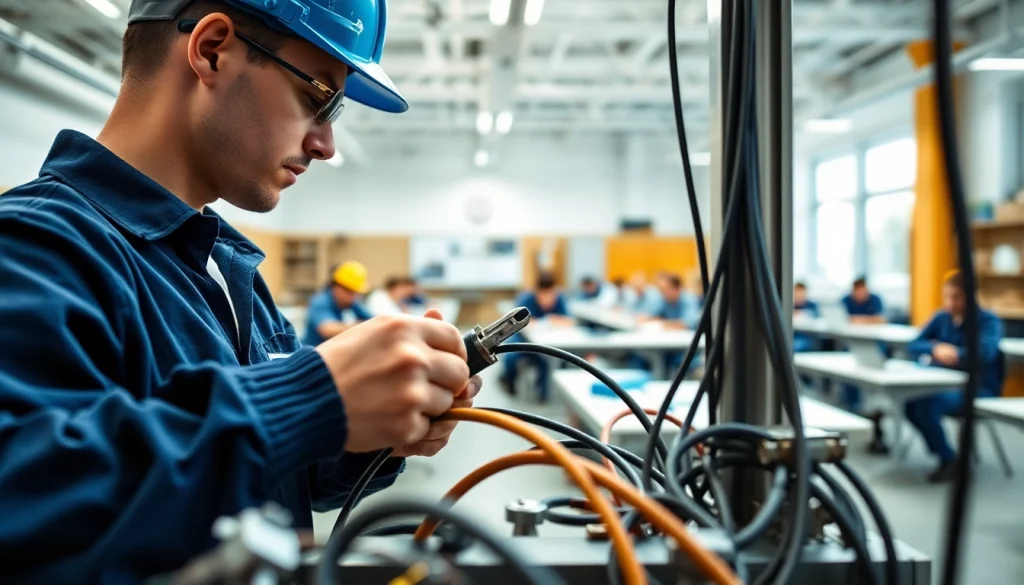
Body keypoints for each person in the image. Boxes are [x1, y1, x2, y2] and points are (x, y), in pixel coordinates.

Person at [0, 1, 481, 581]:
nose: (327, 145)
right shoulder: (33, 247)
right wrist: (305, 399)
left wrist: (369, 426)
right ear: (212, 50)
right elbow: (22, 504)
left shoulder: (226, 266)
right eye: (317, 98)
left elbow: (278, 474)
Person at [905, 270, 1005, 482]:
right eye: (947, 296)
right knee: (910, 403)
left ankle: (950, 461)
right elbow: (914, 344)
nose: (950, 302)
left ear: (971, 295)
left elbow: (984, 353)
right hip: (944, 384)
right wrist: (935, 349)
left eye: (956, 297)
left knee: (928, 405)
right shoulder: (942, 317)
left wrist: (955, 354)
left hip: (978, 389)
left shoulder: (988, 321)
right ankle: (947, 455)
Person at [500, 272, 572, 401]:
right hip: (524, 339)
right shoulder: (526, 298)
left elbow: (568, 321)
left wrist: (553, 320)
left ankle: (543, 395)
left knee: (547, 359)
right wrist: (537, 323)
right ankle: (508, 382)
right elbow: (516, 322)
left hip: (551, 341)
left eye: (550, 295)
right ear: (536, 292)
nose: (546, 300)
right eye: (542, 296)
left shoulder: (560, 298)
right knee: (510, 356)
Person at [303, 261, 374, 345]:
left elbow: (373, 320)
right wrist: (358, 326)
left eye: (355, 293)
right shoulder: (320, 301)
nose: (353, 297)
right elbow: (327, 329)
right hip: (314, 353)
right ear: (337, 287)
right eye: (350, 292)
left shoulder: (351, 301)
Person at [793, 282, 819, 353]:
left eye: (801, 293)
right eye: (797, 292)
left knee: (795, 345)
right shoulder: (789, 305)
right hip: (794, 335)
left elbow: (817, 319)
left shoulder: (812, 305)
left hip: (807, 337)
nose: (799, 295)